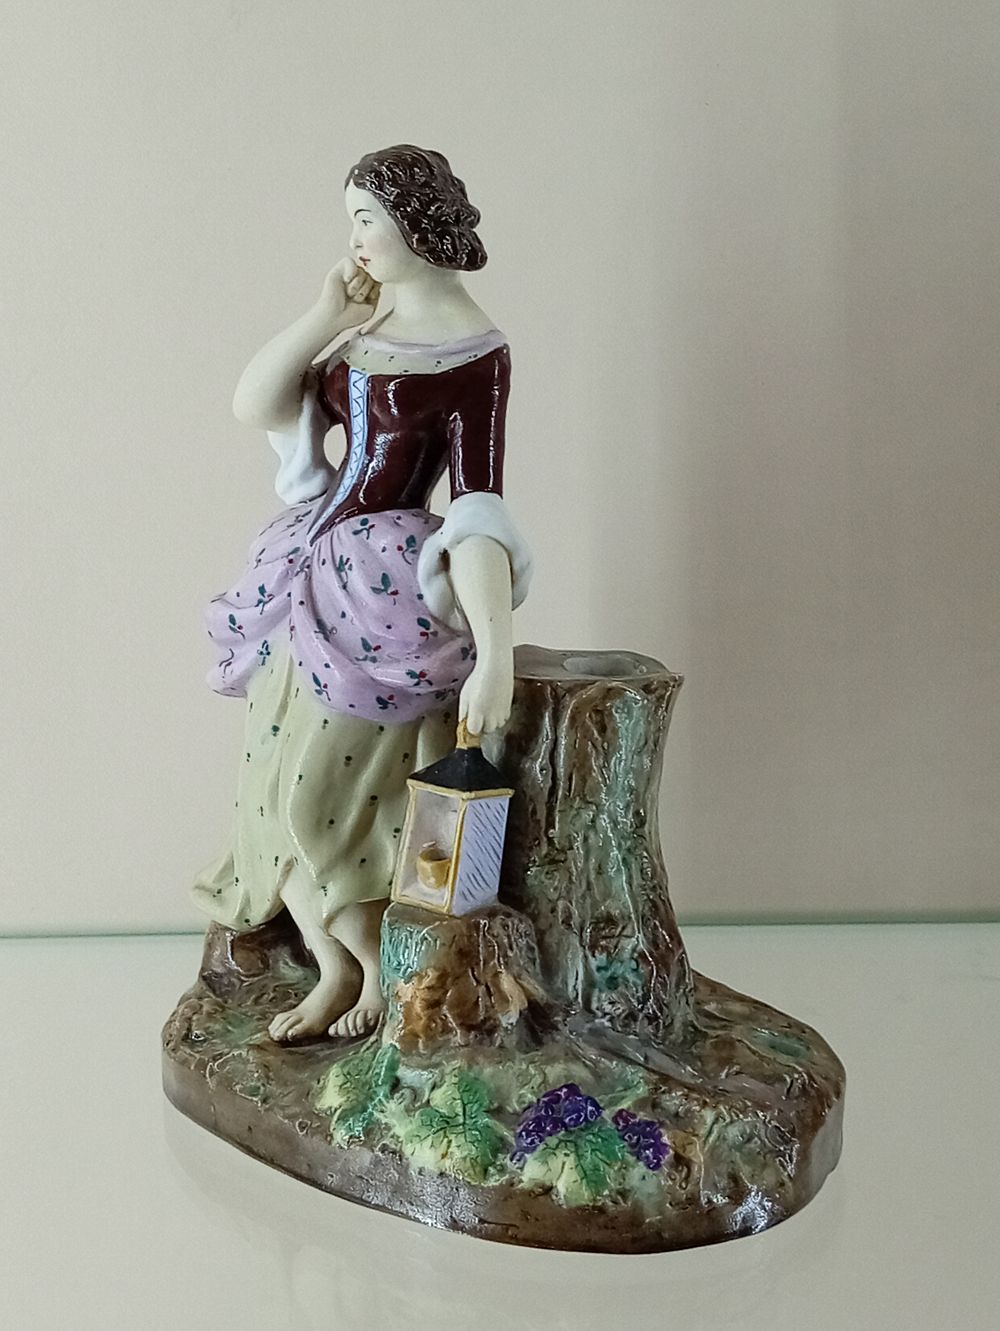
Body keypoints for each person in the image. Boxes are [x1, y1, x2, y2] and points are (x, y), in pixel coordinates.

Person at [191, 145, 531, 1043]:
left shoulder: (477, 352)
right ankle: (334, 965)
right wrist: (324, 316)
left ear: (415, 222)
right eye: (351, 220)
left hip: (383, 590)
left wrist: (494, 652)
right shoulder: (363, 333)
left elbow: (479, 506)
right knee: (270, 790)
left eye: (367, 218)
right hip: (311, 567)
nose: (355, 238)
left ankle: (377, 969)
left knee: (334, 800)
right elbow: (257, 403)